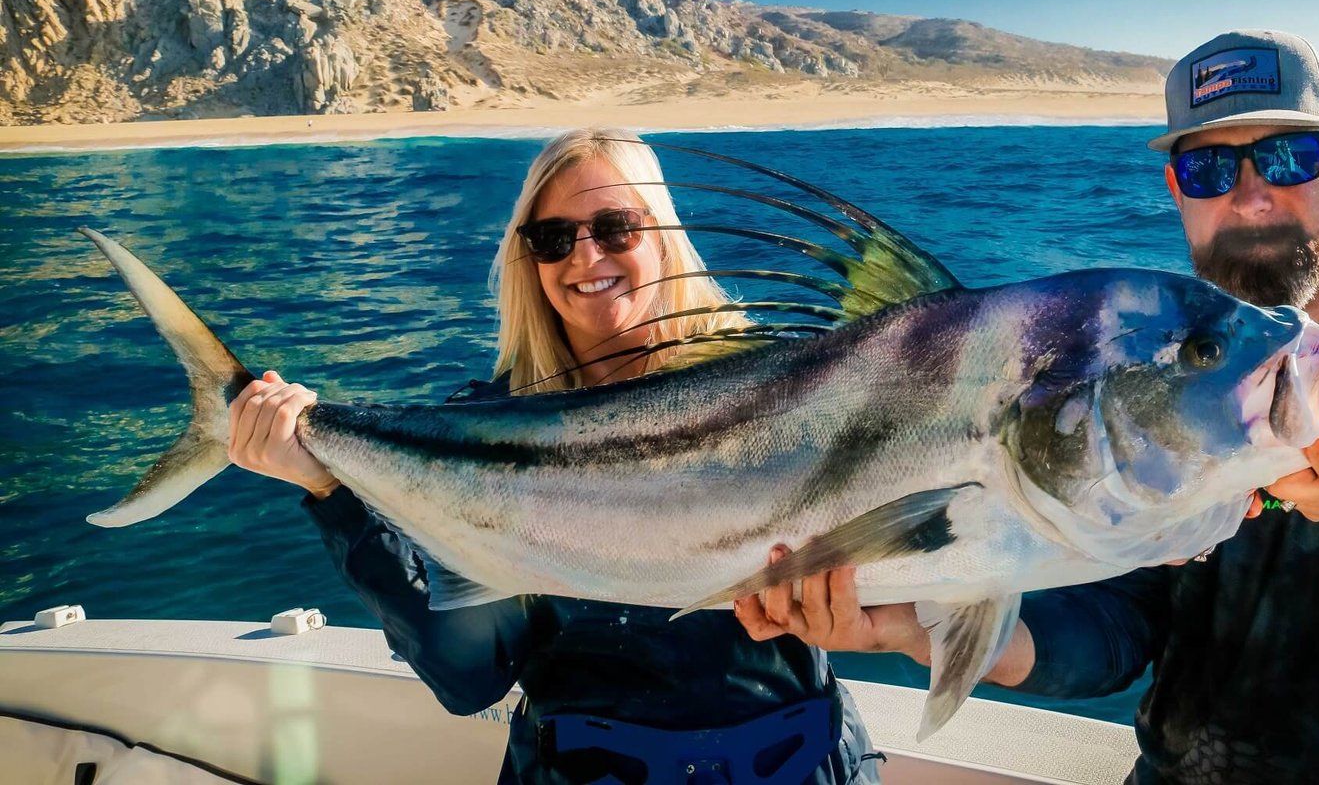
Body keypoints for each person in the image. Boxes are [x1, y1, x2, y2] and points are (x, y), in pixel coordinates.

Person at [735, 30, 1319, 784]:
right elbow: (1120, 629)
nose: (1252, 193)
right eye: (1207, 166)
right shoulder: (1132, 375)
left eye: (1287, 155)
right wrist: (917, 628)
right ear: (1176, 188)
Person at [227, 129, 882, 785]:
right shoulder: (490, 429)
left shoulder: (785, 382)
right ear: (530, 261)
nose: (585, 255)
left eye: (614, 226)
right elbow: (468, 676)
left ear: (661, 232)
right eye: (553, 238)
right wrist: (329, 493)